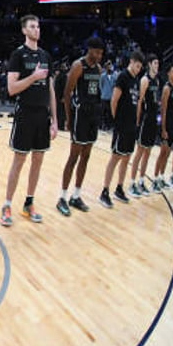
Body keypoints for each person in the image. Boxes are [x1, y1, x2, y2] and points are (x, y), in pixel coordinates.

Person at [0, 15, 57, 226]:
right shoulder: (18, 55)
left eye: (38, 26)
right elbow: (11, 88)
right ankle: (6, 205)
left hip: (43, 115)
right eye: (32, 26)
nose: (37, 29)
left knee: (38, 160)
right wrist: (33, 77)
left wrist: (55, 120)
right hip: (25, 113)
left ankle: (29, 203)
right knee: (19, 160)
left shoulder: (45, 55)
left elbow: (50, 88)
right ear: (24, 30)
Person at [58, 37, 105, 216]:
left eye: (101, 53)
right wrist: (68, 119)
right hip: (79, 115)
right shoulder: (79, 66)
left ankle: (76, 195)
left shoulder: (98, 69)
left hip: (92, 115)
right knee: (73, 157)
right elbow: (67, 93)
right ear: (90, 50)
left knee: (86, 156)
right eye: (97, 52)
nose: (99, 56)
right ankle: (62, 197)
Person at [98, 51, 144, 208]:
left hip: (131, 126)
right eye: (137, 66)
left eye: (140, 67)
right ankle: (104, 191)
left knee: (126, 157)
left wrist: (135, 122)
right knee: (115, 157)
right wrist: (116, 120)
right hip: (122, 125)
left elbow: (136, 102)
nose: (138, 69)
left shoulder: (136, 81)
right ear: (131, 62)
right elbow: (114, 100)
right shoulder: (123, 77)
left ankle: (119, 188)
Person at [129, 54, 160, 197]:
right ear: (149, 64)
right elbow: (140, 101)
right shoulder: (145, 80)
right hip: (145, 119)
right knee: (140, 152)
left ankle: (141, 181)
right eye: (155, 63)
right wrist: (136, 120)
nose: (157, 65)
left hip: (153, 119)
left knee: (148, 152)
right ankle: (131, 183)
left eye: (158, 63)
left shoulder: (157, 81)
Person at [154, 65, 173, 189]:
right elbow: (163, 110)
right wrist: (163, 129)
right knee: (162, 153)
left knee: (168, 153)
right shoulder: (166, 88)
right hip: (166, 124)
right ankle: (155, 179)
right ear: (168, 74)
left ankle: (161, 177)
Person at [100, 61, 115, 130]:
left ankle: (109, 126)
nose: (110, 67)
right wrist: (103, 92)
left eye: (110, 66)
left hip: (111, 97)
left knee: (110, 112)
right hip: (104, 96)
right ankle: (103, 125)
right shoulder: (103, 76)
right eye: (108, 66)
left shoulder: (115, 76)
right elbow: (100, 85)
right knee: (103, 112)